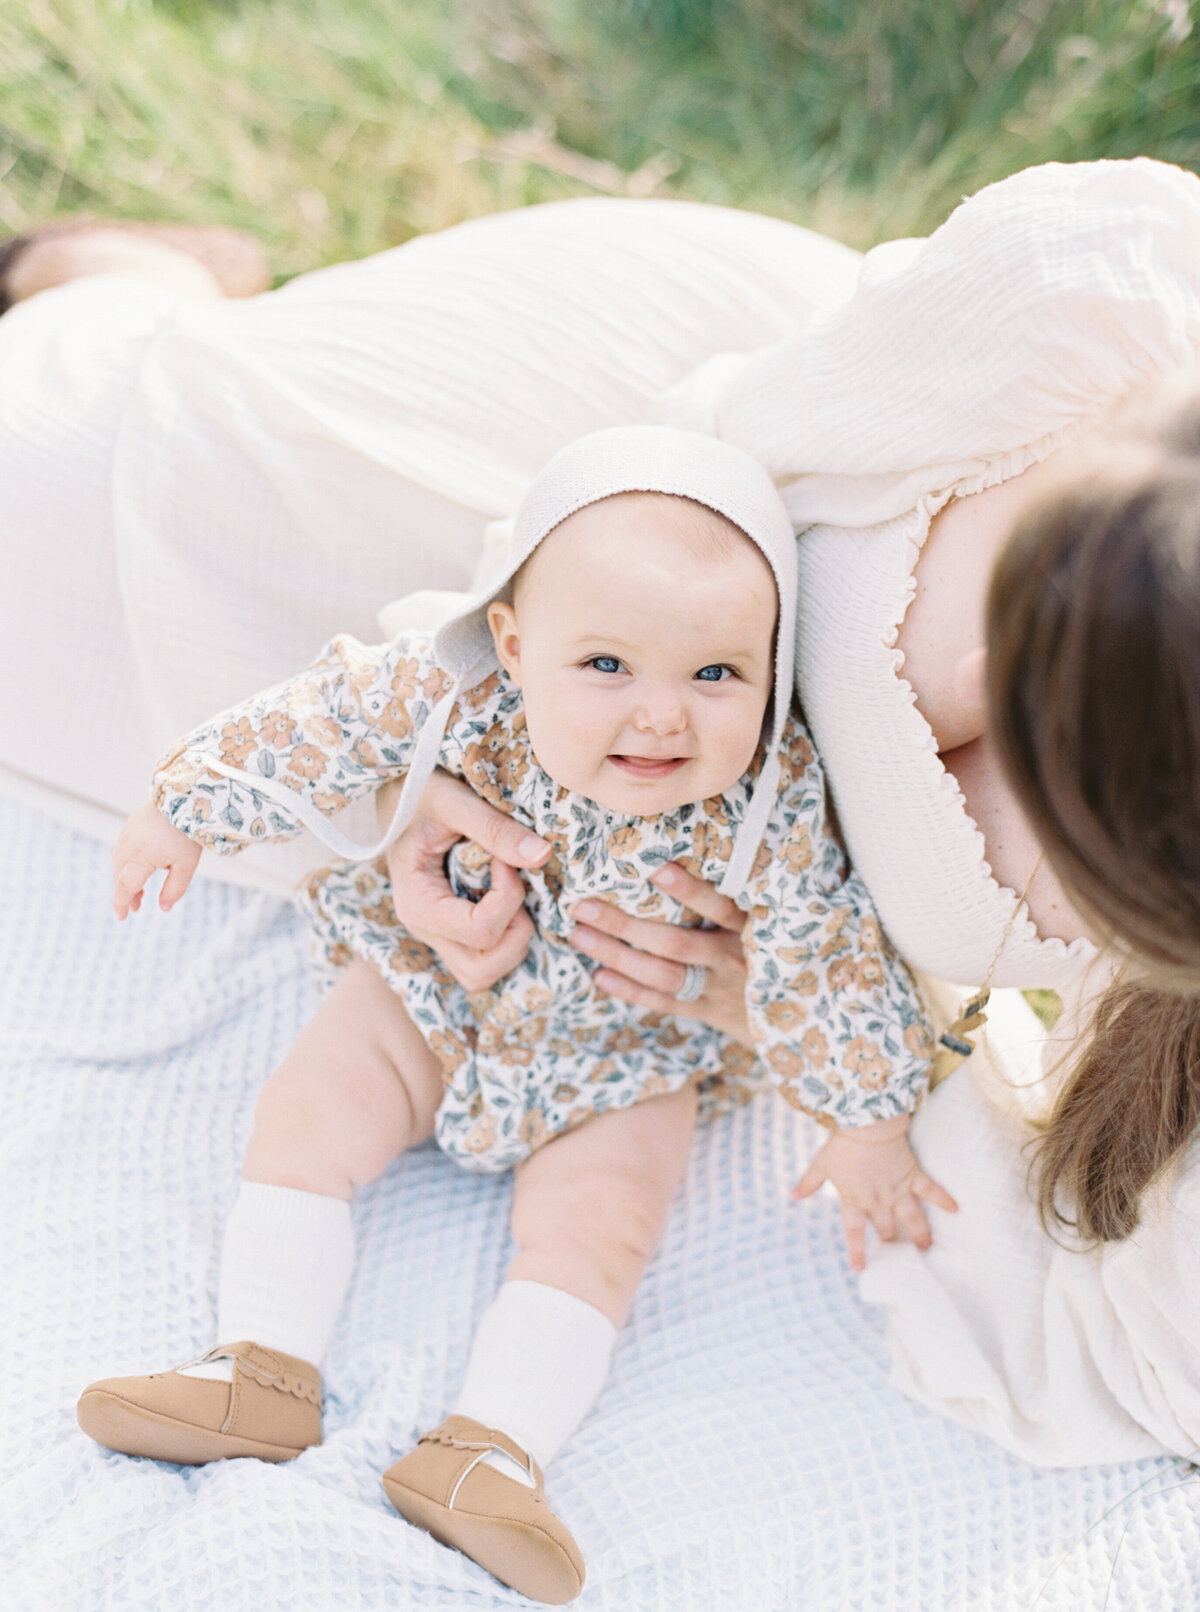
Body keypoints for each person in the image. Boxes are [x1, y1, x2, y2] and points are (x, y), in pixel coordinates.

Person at [4, 155, 1200, 1473]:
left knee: (599, 1219)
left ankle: (494, 1456)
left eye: (1069, 729)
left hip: (622, 1005)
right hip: (621, 488)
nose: (975, 690)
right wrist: (446, 754)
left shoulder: (794, 826)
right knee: (58, 462)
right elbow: (607, 523)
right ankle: (114, 276)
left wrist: (803, 1041)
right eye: (1051, 588)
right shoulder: (1105, 303)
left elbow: (880, 1010)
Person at [74, 424, 948, 1604]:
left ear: (772, 673)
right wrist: (187, 804)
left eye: (715, 675)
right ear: (514, 642)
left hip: (625, 1054)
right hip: (438, 990)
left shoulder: (770, 801)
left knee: (607, 1225)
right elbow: (317, 719)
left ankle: (489, 1451)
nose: (660, 719)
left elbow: (826, 954)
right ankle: (261, 1363)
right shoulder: (457, 701)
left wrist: (868, 1121)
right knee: (312, 1107)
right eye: (605, 667)